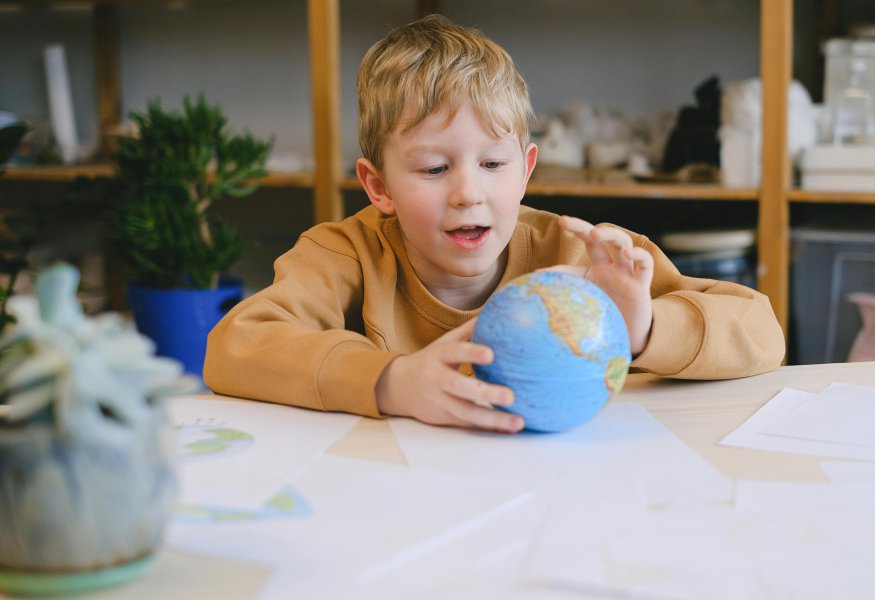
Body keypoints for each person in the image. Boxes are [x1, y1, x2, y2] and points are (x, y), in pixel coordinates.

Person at [204, 14, 785, 434]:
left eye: (492, 164)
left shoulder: (585, 256)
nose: (467, 193)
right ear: (378, 185)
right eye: (434, 168)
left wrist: (644, 329)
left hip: (559, 491)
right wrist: (391, 381)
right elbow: (234, 347)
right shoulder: (343, 253)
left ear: (526, 171)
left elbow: (763, 333)